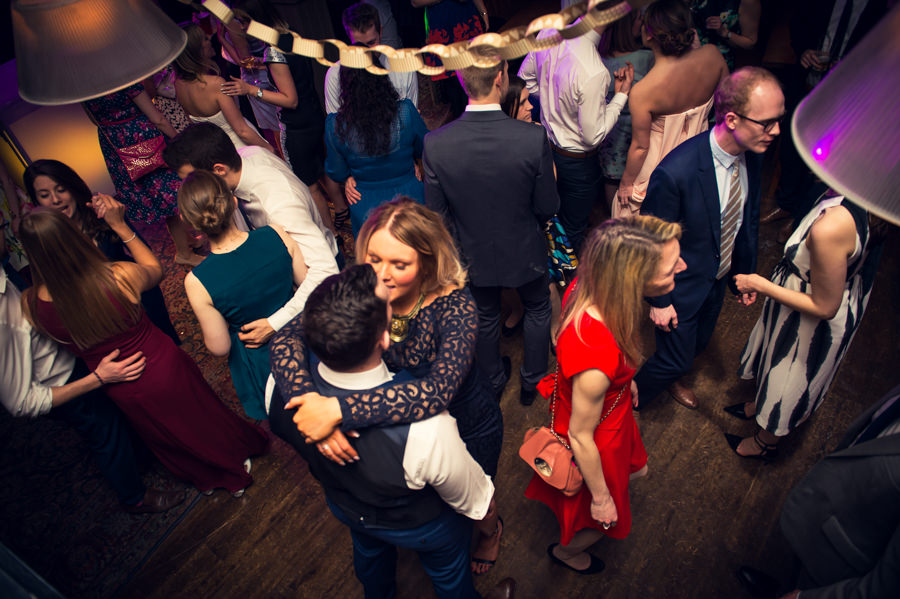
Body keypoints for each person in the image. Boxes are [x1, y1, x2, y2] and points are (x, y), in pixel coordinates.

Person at [270, 198, 505, 574]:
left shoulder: (455, 307)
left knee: (475, 498)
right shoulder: (364, 287)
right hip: (402, 431)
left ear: (427, 261)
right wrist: (306, 400)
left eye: (399, 264)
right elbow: (286, 338)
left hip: (466, 421)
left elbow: (437, 392)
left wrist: (337, 409)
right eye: (374, 258)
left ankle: (490, 533)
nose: (382, 274)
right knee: (432, 501)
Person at [19, 207, 268, 496]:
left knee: (165, 432)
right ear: (72, 237)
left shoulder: (30, 305)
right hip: (160, 364)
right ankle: (231, 464)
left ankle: (206, 477)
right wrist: (121, 226)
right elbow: (154, 270)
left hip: (118, 384)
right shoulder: (116, 276)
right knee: (201, 415)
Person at [526, 216, 685, 574]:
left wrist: (622, 380)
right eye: (671, 267)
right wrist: (601, 499)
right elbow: (581, 436)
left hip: (611, 412)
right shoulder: (595, 354)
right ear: (633, 276)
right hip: (597, 437)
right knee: (604, 516)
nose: (682, 267)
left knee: (636, 472)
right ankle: (566, 552)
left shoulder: (593, 284)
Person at [0, 223, 184, 514]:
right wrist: (98, 378)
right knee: (105, 431)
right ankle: (134, 497)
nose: (4, 232)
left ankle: (145, 457)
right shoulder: (3, 317)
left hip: (79, 361)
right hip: (62, 384)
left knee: (121, 416)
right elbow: (21, 402)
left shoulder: (8, 277)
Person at [633, 66, 784, 410]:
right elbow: (649, 244)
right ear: (731, 120)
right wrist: (659, 301)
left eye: (779, 120)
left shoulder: (753, 154)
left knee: (698, 344)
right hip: (681, 287)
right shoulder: (676, 173)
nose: (776, 131)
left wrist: (742, 273)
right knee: (672, 360)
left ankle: (678, 374)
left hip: (716, 279)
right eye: (767, 123)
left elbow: (746, 219)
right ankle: (627, 402)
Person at [424, 45, 559, 405]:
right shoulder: (532, 138)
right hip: (525, 248)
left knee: (484, 316)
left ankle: (494, 382)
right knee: (538, 308)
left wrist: (463, 250)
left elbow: (437, 217)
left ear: (461, 80)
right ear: (500, 78)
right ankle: (533, 382)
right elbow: (548, 206)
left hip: (472, 253)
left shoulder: (435, 144)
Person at [725, 194, 885, 460]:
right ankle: (761, 405)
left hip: (807, 323)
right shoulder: (863, 199)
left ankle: (765, 443)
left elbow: (825, 307)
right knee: (773, 362)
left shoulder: (833, 226)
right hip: (796, 300)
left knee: (787, 378)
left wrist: (760, 284)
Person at [736, 383, 900, 599]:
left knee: (813, 583)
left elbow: (885, 589)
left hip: (851, 560)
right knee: (801, 572)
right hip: (835, 515)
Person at [162, 122, 340, 317]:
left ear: (219, 169)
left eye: (193, 178)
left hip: (317, 284)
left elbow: (325, 271)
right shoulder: (246, 156)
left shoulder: (278, 205)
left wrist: (274, 323)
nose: (191, 187)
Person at [179, 170, 308, 421]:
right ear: (233, 201)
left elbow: (219, 347)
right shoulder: (275, 233)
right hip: (304, 334)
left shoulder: (196, 281)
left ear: (188, 221)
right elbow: (306, 284)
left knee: (295, 420)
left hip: (264, 360)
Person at [23, 159, 180, 345]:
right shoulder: (45, 239)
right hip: (100, 317)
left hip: (138, 295)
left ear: (72, 187)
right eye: (44, 195)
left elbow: (146, 259)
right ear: (37, 201)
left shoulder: (101, 213)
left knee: (165, 343)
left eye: (61, 189)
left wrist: (118, 223)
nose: (56, 199)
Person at [519, 12, 635, 252]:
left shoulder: (548, 33)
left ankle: (550, 264)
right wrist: (621, 95)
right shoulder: (594, 72)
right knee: (572, 229)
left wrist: (552, 102)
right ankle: (565, 273)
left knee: (550, 217)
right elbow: (592, 137)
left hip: (546, 149)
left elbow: (525, 79)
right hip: (577, 164)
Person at [221, 0, 340, 234]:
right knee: (322, 168)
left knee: (310, 186)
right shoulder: (290, 37)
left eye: (244, 22)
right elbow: (293, 72)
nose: (242, 27)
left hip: (296, 127)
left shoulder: (273, 51)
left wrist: (250, 89)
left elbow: (289, 99)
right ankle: (342, 212)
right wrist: (266, 66)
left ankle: (332, 235)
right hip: (314, 116)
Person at [614, 0, 728, 217]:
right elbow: (726, 103)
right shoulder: (713, 55)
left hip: (658, 167)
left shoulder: (644, 91)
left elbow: (640, 147)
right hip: (699, 157)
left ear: (649, 35)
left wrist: (626, 183)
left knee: (633, 219)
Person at [82, 84, 202, 267]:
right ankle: (184, 253)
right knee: (171, 198)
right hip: (145, 143)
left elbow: (94, 121)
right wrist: (179, 140)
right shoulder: (124, 82)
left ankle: (186, 240)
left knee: (162, 199)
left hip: (118, 147)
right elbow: (158, 119)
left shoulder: (85, 90)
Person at [325, 65, 427, 234]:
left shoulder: (336, 125)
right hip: (409, 196)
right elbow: (424, 147)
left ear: (345, 87)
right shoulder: (406, 111)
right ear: (382, 77)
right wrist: (411, 160)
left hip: (366, 204)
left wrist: (348, 176)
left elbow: (336, 171)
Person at [173, 24, 274, 152]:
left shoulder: (179, 85)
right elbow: (242, 131)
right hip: (243, 148)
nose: (210, 39)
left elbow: (195, 126)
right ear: (197, 50)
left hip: (220, 151)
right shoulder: (216, 83)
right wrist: (270, 149)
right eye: (205, 38)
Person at [598, 8, 654, 211]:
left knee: (611, 178)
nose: (642, 23)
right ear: (626, 25)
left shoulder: (599, 58)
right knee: (638, 179)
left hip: (609, 128)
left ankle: (614, 220)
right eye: (639, 19)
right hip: (636, 128)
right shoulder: (646, 58)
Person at [323, 2, 417, 115]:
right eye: (360, 45)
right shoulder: (335, 75)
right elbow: (336, 123)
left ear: (380, 32)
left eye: (371, 43)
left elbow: (411, 117)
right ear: (349, 39)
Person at [412, 0, 489, 120]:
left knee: (479, 79)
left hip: (467, 19)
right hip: (444, 27)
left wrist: (483, 11)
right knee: (457, 91)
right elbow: (416, 2)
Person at [689, 0, 761, 70]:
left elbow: (750, 43)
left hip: (719, 63)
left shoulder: (747, 2)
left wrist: (725, 33)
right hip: (690, 55)